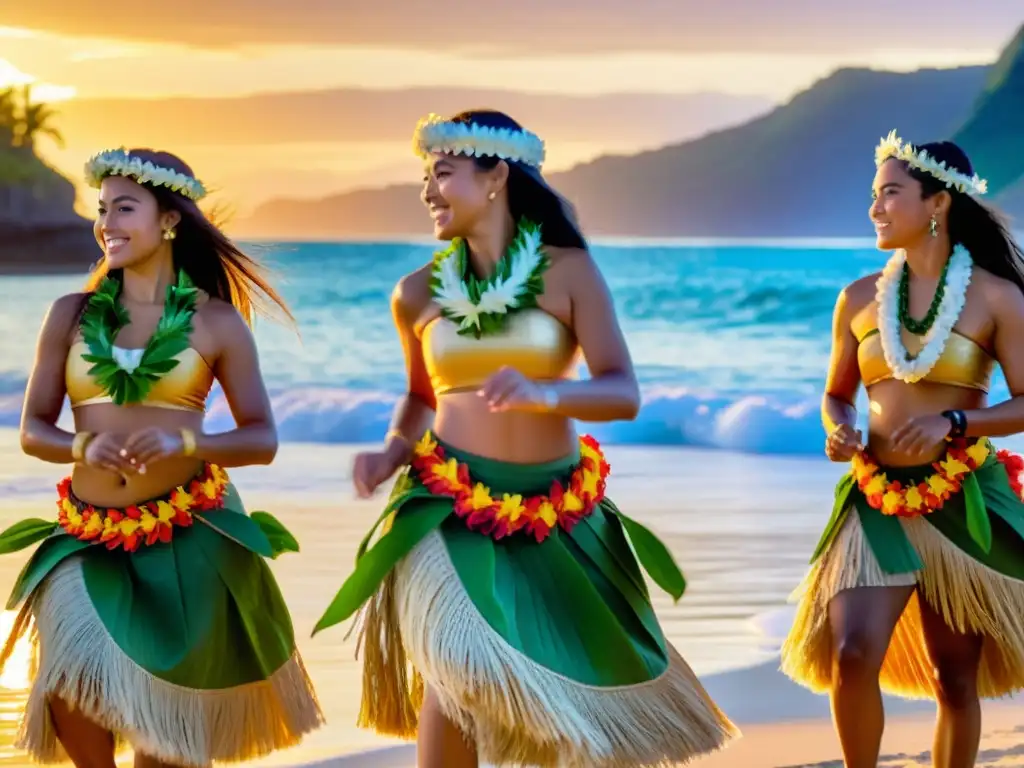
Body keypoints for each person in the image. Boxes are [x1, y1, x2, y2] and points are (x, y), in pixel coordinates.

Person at [312, 110, 737, 768]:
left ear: (495, 178)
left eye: (443, 174)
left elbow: (622, 391)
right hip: (443, 505)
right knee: (453, 665)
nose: (427, 191)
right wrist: (393, 449)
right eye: (425, 177)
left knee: (565, 686)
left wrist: (549, 393)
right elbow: (422, 398)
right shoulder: (416, 293)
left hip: (556, 511)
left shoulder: (569, 274)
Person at [0, 148, 323, 766]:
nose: (106, 223)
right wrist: (82, 444)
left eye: (125, 207)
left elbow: (262, 438)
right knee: (69, 687)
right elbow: (33, 429)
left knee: (165, 746)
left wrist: (190, 441)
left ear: (169, 219)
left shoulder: (217, 323)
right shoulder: (71, 314)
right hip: (89, 540)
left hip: (189, 544)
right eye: (102, 209)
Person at [781, 131, 1024, 768]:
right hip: (875, 499)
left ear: (937, 203)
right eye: (874, 194)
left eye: (891, 192)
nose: (876, 208)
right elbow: (837, 393)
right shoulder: (859, 299)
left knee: (955, 678)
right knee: (852, 655)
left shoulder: (997, 297)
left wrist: (956, 422)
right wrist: (838, 427)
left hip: (962, 501)